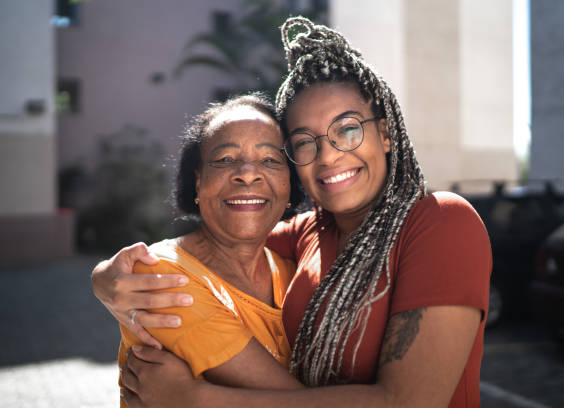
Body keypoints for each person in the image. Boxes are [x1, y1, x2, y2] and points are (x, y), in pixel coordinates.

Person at [94, 17, 492, 407]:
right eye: (304, 142)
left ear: (386, 134)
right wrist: (108, 278)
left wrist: (198, 399)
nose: (329, 155)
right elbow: (224, 239)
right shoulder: (310, 234)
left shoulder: (441, 222)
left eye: (348, 129)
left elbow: (407, 402)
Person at [115, 93, 307, 407]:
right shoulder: (161, 273)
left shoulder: (293, 274)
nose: (247, 173)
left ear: (290, 185)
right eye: (225, 160)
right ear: (198, 181)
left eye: (270, 160)